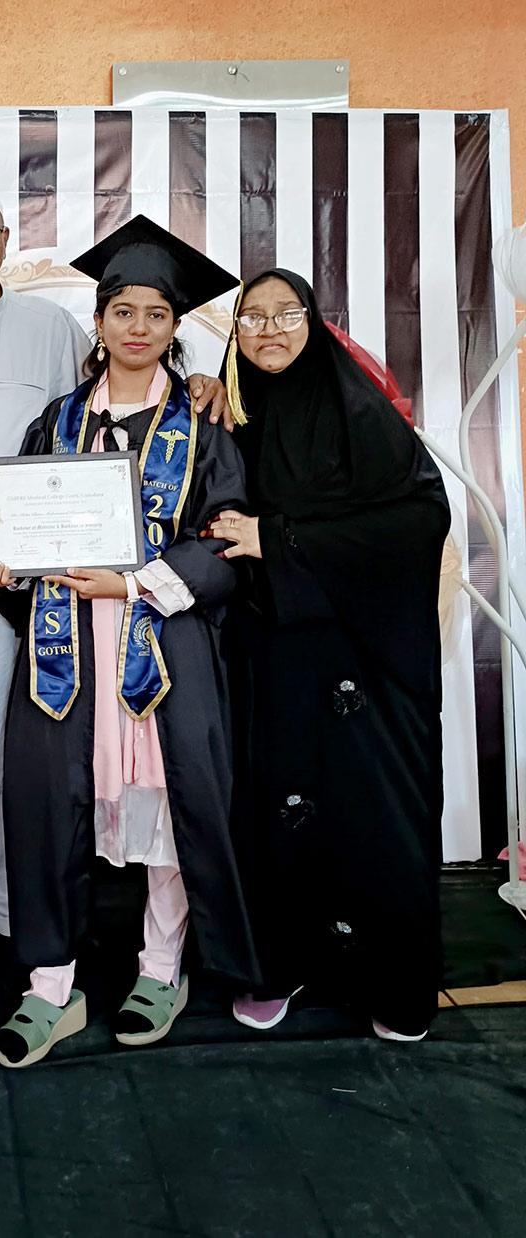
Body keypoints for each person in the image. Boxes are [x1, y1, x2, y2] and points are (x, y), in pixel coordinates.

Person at [0, 174, 230, 1005]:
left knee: (16, 762)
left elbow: (114, 411)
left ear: (5, 242)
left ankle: (9, 913)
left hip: (37, 598)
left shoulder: (53, 328)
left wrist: (205, 382)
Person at [0, 216, 260, 1065]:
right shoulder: (53, 424)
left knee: (171, 810)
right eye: (122, 311)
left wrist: (134, 584)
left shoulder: (207, 432)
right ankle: (50, 988)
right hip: (65, 652)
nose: (138, 328)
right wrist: (5, 572)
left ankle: (161, 967)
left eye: (156, 315)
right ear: (97, 322)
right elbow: (20, 531)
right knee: (49, 809)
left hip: (164, 650)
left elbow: (224, 546)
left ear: (176, 329)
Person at [208, 269, 450, 1042]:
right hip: (273, 655)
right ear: (236, 333)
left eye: (287, 314)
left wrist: (276, 540)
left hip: (364, 661)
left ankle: (393, 985)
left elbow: (419, 518)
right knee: (277, 813)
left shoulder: (360, 413)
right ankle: (280, 967)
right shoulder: (225, 417)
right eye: (252, 317)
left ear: (316, 322)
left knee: (374, 817)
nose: (270, 330)